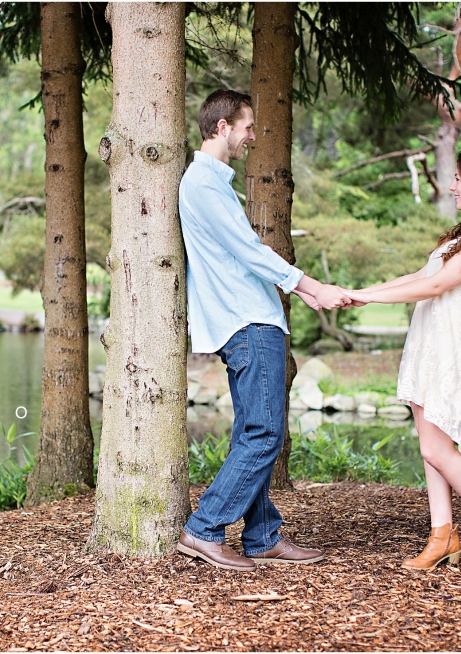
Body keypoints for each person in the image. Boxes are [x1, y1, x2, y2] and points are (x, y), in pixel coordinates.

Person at [176, 89, 351, 571]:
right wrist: (309, 285)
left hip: (249, 317)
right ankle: (204, 528)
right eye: (247, 127)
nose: (253, 136)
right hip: (247, 320)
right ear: (221, 128)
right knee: (264, 431)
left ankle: (262, 535)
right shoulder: (204, 185)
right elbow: (249, 251)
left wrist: (306, 293)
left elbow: (244, 251)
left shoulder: (212, 182)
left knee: (254, 430)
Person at [345, 149, 461, 571]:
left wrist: (367, 296)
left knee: (437, 448)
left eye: (458, 179)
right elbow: (421, 278)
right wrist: (361, 294)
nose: (451, 186)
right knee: (430, 450)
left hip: (453, 350)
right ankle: (442, 535)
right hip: (428, 344)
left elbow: (438, 285)